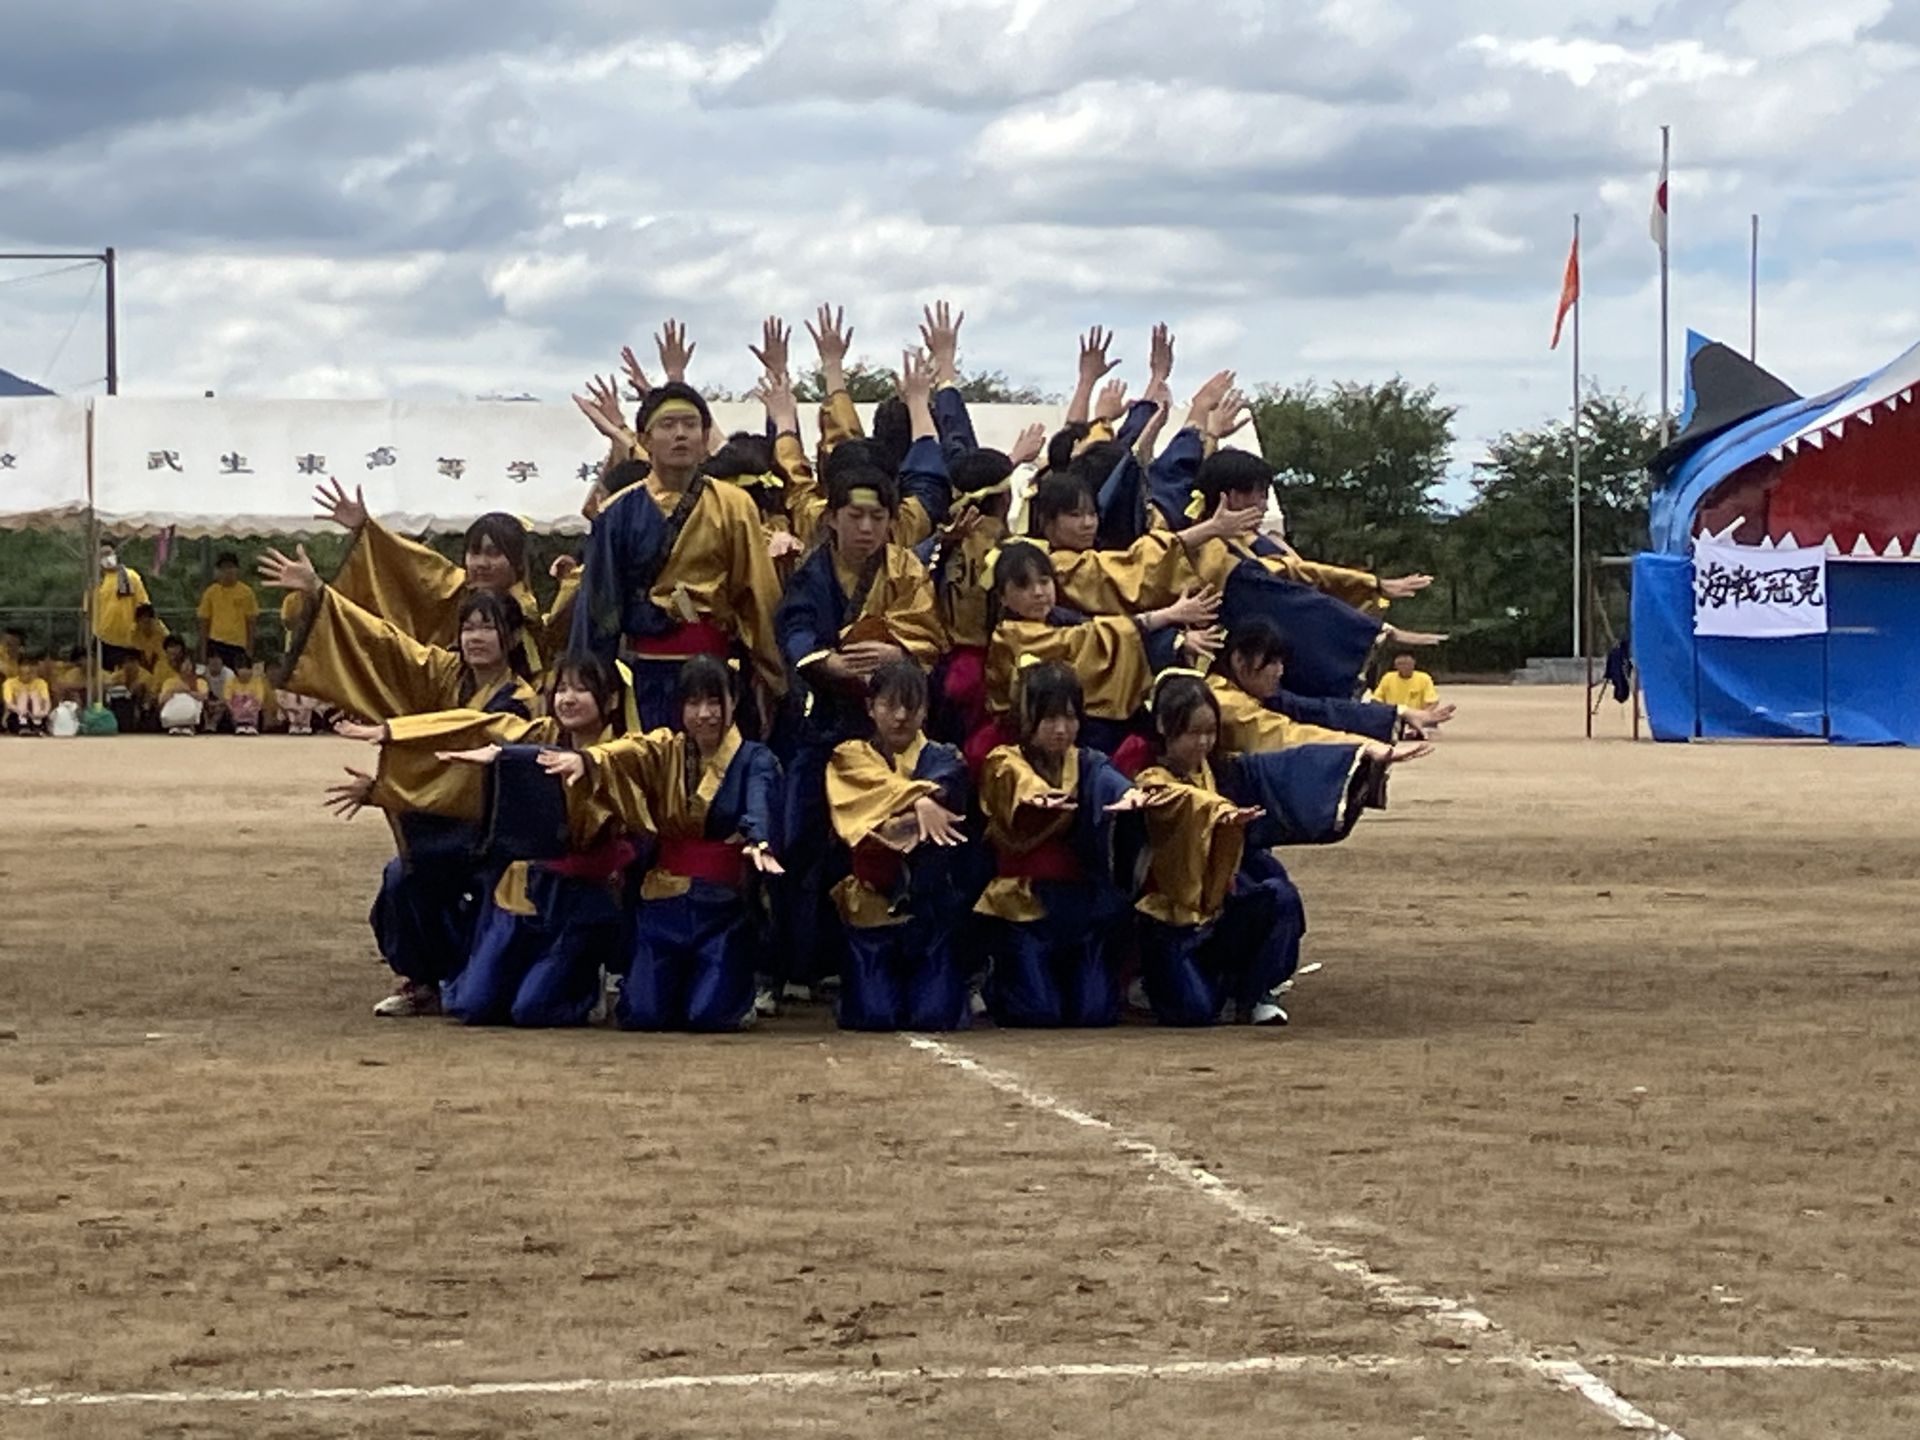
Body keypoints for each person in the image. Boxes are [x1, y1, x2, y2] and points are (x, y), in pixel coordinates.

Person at [330, 654, 636, 1027]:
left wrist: (526, 757)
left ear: (611, 700)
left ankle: (587, 981)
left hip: (580, 900)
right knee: (472, 1006)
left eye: (582, 689)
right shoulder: (541, 734)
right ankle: (449, 974)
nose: (568, 698)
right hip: (524, 890)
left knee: (532, 1010)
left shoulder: (628, 751)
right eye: (562, 689)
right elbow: (478, 725)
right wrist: (393, 734)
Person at [774, 439, 947, 996]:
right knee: (801, 839)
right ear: (831, 518)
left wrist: (897, 654)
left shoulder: (905, 570)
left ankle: (879, 957)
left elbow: (928, 635)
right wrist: (827, 661)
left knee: (880, 837)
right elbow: (795, 628)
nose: (866, 528)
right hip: (822, 718)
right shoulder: (811, 571)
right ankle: (797, 963)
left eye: (877, 517)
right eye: (855, 516)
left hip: (886, 728)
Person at [536, 655, 785, 1032]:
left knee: (708, 1016)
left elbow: (759, 800)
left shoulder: (755, 758)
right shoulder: (666, 749)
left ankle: (737, 992)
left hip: (721, 907)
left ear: (733, 702)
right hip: (663, 904)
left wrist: (758, 839)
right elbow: (628, 751)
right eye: (693, 702)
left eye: (714, 701)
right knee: (643, 1015)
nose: (705, 714)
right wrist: (588, 760)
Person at [569, 377, 786, 732]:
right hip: (643, 670)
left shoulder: (734, 505)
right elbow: (599, 607)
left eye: (690, 425)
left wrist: (775, 675)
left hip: (716, 668)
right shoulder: (617, 512)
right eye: (668, 425)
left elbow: (757, 595)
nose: (680, 434)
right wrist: (588, 685)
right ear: (644, 440)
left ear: (705, 438)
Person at [974, 662, 1157, 1027]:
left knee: (1094, 1013)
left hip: (1078, 902)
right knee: (1038, 1012)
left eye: (1070, 718)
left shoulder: (1088, 762)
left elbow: (1109, 780)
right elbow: (1015, 779)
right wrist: (1037, 796)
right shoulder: (1005, 760)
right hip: (1024, 906)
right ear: (1028, 720)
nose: (1061, 730)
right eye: (1049, 719)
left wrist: (1129, 795)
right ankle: (995, 980)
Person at [1131, 674, 1298, 1027]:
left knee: (1280, 896)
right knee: (1195, 1012)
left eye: (1210, 732)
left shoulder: (1220, 769)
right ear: (1163, 725)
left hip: (1218, 910)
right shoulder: (1148, 778)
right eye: (1193, 732)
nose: (1204, 742)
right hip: (1169, 921)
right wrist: (1219, 810)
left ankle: (1254, 993)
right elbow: (1180, 798)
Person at [825, 661, 973, 1031]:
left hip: (930, 910)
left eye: (913, 706)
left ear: (926, 709)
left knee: (934, 1017)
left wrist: (895, 814)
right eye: (890, 705)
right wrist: (920, 804)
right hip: (872, 906)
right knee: (876, 1017)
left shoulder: (946, 758)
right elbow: (858, 816)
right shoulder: (850, 756)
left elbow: (947, 793)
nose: (902, 716)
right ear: (870, 707)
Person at [309, 481, 556, 681]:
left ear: (518, 562)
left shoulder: (529, 614)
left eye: (494, 553)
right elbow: (410, 564)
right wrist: (365, 529)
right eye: (475, 553)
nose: (481, 563)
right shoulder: (456, 588)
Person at [91, 539, 151, 669]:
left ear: (115, 554)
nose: (106, 558)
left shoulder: (130, 576)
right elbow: (89, 611)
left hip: (128, 641)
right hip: (103, 639)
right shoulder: (96, 581)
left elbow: (143, 607)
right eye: (102, 555)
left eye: (108, 553)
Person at [196, 551, 260, 669]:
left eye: (230, 567)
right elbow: (204, 622)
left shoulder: (246, 592)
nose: (227, 571)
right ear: (218, 571)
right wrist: (203, 651)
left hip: (238, 645)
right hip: (216, 644)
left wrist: (250, 650)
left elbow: (251, 622)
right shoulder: (211, 592)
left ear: (237, 569)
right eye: (223, 568)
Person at [156, 643, 208, 736]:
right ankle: (174, 725)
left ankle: (189, 726)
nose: (187, 667)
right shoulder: (170, 682)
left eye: (189, 664)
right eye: (184, 663)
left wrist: (188, 691)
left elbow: (203, 697)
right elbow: (161, 700)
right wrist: (172, 691)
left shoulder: (199, 681)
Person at [1372, 653, 1442, 715]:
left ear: (1413, 664)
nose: (1404, 667)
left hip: (1416, 715)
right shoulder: (1388, 677)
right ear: (1395, 666)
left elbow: (1432, 702)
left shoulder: (1424, 678)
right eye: (1400, 664)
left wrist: (1422, 715)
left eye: (1407, 664)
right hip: (1392, 716)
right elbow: (1377, 699)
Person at [225, 653, 274, 735]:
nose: (246, 672)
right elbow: (227, 699)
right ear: (237, 669)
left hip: (252, 710)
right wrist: (234, 709)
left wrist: (250, 705)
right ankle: (239, 725)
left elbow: (259, 698)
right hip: (236, 710)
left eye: (248, 669)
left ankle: (252, 725)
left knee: (251, 700)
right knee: (238, 700)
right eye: (242, 668)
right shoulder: (231, 681)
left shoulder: (257, 681)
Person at [3, 654, 52, 735]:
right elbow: (8, 704)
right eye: (25, 666)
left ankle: (37, 723)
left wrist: (44, 713)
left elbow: (47, 701)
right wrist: (21, 711)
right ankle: (23, 723)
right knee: (24, 694)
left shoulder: (41, 683)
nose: (28, 670)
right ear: (19, 669)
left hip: (37, 714)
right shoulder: (9, 683)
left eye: (31, 666)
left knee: (34, 694)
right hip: (17, 715)